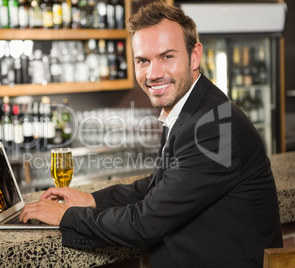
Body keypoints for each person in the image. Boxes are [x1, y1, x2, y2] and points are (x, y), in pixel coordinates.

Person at [19, 1, 283, 266]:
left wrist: (66, 217)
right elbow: (159, 186)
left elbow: (144, 224)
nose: (153, 73)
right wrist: (91, 200)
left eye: (167, 56)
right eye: (143, 60)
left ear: (194, 56)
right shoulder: (192, 108)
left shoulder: (213, 126)